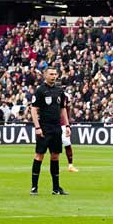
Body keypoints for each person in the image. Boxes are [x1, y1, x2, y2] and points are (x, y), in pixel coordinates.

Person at [30, 66, 69, 196]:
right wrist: (37, 127)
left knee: (55, 156)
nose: (54, 76)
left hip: (56, 128)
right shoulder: (40, 90)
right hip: (44, 127)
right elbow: (34, 109)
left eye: (55, 74)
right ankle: (34, 187)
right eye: (51, 74)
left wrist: (67, 126)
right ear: (45, 75)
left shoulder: (59, 91)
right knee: (39, 155)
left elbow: (63, 109)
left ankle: (56, 188)